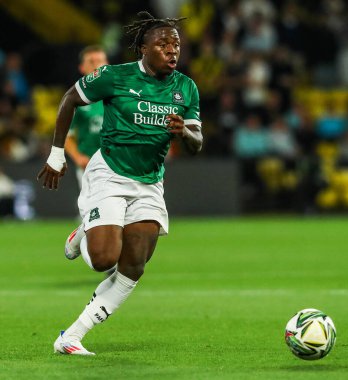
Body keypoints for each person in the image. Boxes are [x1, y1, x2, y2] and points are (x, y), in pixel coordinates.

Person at [37, 11, 203, 356]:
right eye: (163, 44)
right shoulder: (114, 76)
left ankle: (71, 336)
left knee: (133, 266)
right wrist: (56, 155)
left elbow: (197, 142)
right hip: (109, 173)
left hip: (150, 183)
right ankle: (85, 229)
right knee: (103, 259)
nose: (172, 51)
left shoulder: (186, 87)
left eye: (176, 44)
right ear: (143, 48)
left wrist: (183, 132)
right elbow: (70, 98)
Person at [65, 45, 108, 189]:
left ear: (107, 65)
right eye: (91, 61)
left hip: (119, 164)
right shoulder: (75, 99)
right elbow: (66, 135)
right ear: (82, 67)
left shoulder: (120, 96)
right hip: (90, 166)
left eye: (99, 61)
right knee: (93, 208)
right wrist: (78, 157)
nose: (96, 65)